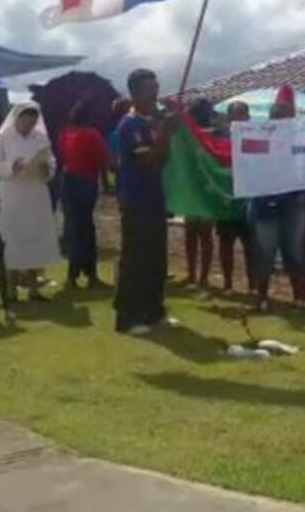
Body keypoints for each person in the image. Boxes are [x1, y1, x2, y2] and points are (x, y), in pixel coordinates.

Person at [113, 69, 178, 335]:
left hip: (154, 198)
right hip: (136, 200)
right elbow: (146, 160)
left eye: (157, 86)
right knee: (135, 258)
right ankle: (128, 317)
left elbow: (162, 160)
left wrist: (165, 134)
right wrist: (164, 133)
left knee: (156, 257)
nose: (156, 92)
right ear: (135, 92)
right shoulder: (131, 125)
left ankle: (153, 311)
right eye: (150, 88)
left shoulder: (151, 123)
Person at [248, 85, 305, 312]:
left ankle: (300, 299)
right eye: (278, 117)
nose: (282, 121)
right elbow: (247, 164)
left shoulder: (301, 141)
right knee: (265, 252)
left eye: (286, 118)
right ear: (270, 119)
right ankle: (262, 298)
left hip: (293, 203)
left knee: (294, 251)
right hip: (265, 204)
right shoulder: (257, 140)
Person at [0, 102, 60, 302]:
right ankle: (11, 289)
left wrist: (46, 169)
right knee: (12, 239)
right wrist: (12, 166)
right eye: (26, 119)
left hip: (35, 193)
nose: (29, 124)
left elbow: (51, 162)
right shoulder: (2, 137)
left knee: (35, 238)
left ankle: (33, 287)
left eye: (33, 120)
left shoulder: (41, 138)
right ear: (17, 118)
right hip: (12, 194)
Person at [58, 100, 109, 290]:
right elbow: (103, 162)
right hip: (85, 182)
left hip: (69, 180)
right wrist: (106, 183)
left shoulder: (66, 134)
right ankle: (90, 274)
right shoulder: (91, 135)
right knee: (86, 229)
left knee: (74, 228)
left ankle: (74, 274)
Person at [215, 100, 255, 294]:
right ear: (229, 117)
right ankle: (228, 284)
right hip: (226, 198)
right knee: (225, 242)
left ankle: (253, 285)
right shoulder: (220, 137)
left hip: (249, 198)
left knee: (251, 244)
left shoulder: (257, 135)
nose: (238, 118)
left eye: (242, 114)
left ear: (248, 117)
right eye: (235, 114)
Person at [183, 98, 217, 290]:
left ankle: (196, 275)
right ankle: (198, 276)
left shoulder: (204, 136)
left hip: (200, 188)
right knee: (201, 234)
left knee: (196, 234)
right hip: (202, 188)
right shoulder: (190, 135)